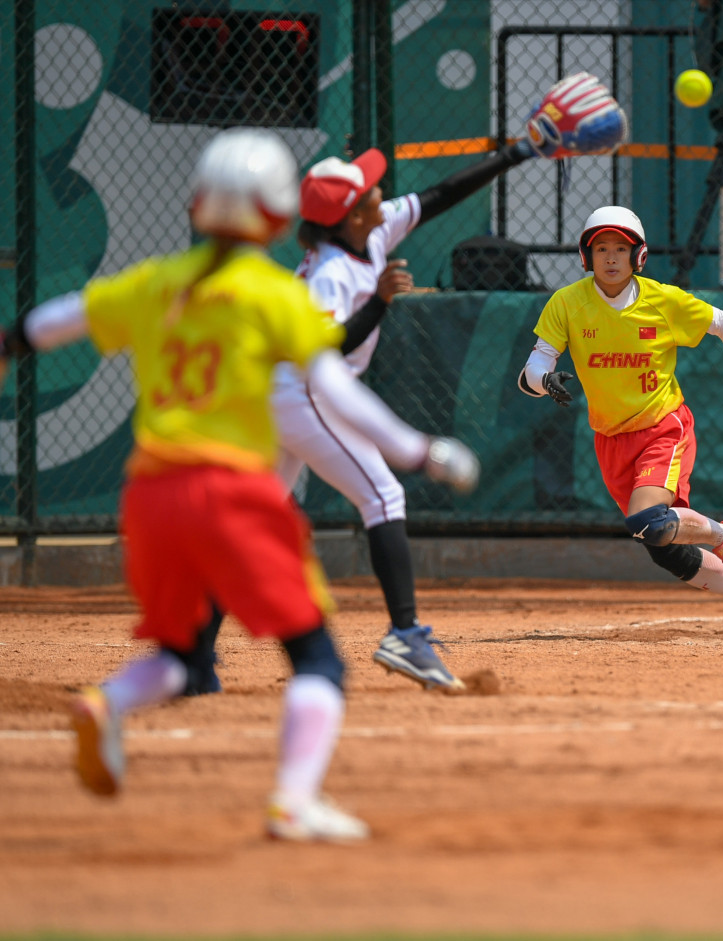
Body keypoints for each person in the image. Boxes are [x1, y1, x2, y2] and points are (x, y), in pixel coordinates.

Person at [0, 128, 479, 842]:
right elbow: (337, 393)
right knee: (316, 656)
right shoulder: (274, 293)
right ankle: (293, 800)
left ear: (196, 206)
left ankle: (107, 705)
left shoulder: (156, 281)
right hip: (231, 491)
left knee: (177, 654)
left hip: (153, 495)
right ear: (281, 219)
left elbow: (53, 321)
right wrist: (419, 449)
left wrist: (9, 346)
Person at [183, 72, 630, 695]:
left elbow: (442, 193)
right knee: (384, 497)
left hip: (302, 395)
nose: (381, 192)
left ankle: (193, 655)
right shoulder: (332, 274)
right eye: (368, 190)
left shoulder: (369, 230)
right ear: (348, 214)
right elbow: (323, 347)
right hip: (306, 394)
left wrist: (521, 149)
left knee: (256, 521)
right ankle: (405, 633)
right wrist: (381, 304)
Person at [518, 205, 723, 637]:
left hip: (663, 427)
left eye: (620, 249)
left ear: (637, 256)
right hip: (610, 438)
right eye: (601, 248)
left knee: (648, 521)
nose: (610, 258)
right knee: (661, 545)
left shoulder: (661, 299)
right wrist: (545, 379)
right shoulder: (567, 303)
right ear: (586, 257)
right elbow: (531, 370)